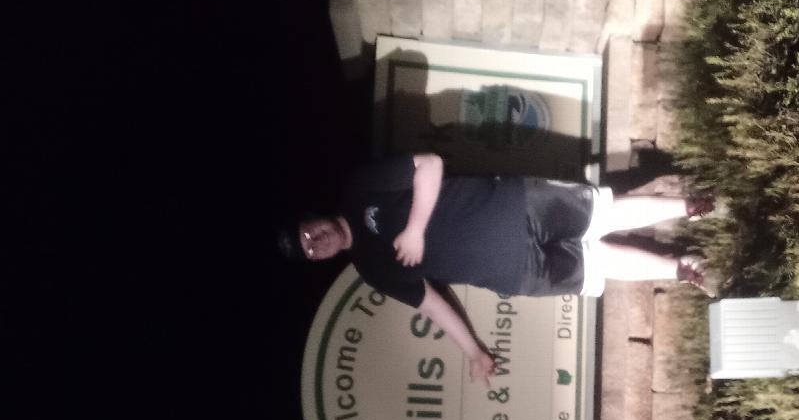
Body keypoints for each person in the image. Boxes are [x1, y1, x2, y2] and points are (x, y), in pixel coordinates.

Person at [279, 153, 721, 384]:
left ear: (313, 217)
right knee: (598, 264)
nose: (315, 242)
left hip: (515, 206)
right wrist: (474, 352)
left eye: (307, 233)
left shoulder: (359, 189)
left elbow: (429, 165)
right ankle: (682, 269)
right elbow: (432, 305)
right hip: (516, 273)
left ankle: (694, 207)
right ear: (319, 260)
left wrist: (414, 228)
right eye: (310, 250)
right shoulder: (372, 270)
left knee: (603, 214)